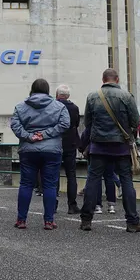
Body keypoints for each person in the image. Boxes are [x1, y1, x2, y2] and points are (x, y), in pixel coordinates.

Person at [79, 69, 140, 234]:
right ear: (117, 79)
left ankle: (86, 220)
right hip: (121, 147)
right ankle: (132, 222)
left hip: (98, 146)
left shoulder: (92, 96)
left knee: (93, 181)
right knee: (126, 181)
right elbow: (135, 121)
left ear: (103, 80)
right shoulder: (126, 96)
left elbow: (87, 123)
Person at [10, 78, 69, 230]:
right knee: (49, 185)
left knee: (26, 184)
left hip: (28, 150)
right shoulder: (59, 106)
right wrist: (46, 134)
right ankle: (49, 221)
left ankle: (21, 220)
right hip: (52, 150)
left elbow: (15, 125)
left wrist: (30, 136)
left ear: (32, 89)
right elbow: (65, 124)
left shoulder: (20, 106)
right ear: (47, 90)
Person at [55, 85, 81, 214]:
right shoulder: (74, 108)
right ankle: (72, 205)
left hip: (56, 143)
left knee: (54, 174)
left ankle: (52, 204)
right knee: (71, 175)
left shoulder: (53, 106)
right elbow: (76, 124)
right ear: (68, 95)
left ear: (57, 95)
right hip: (70, 143)